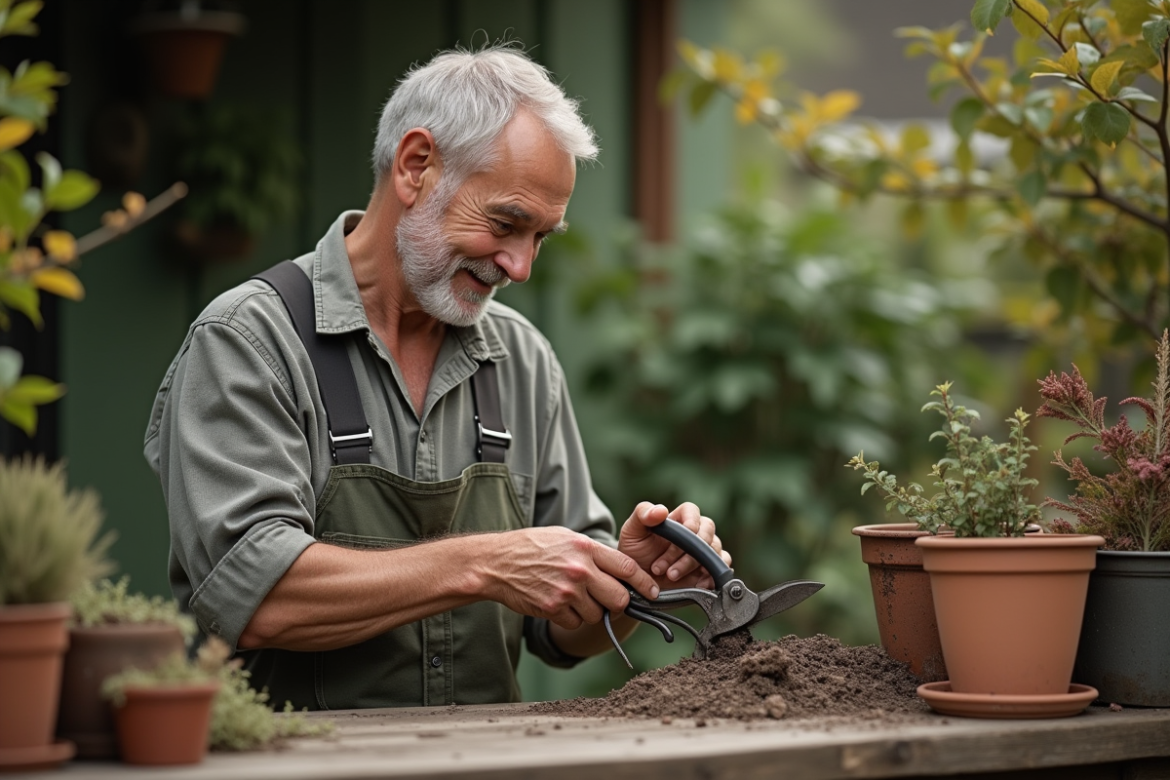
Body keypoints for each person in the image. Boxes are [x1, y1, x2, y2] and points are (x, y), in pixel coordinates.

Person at [145, 44, 730, 710]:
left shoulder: (522, 360)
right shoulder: (250, 340)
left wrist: (632, 582)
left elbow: (561, 635)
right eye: (507, 224)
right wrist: (487, 564)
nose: (520, 267)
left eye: (542, 237)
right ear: (415, 166)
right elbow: (255, 598)